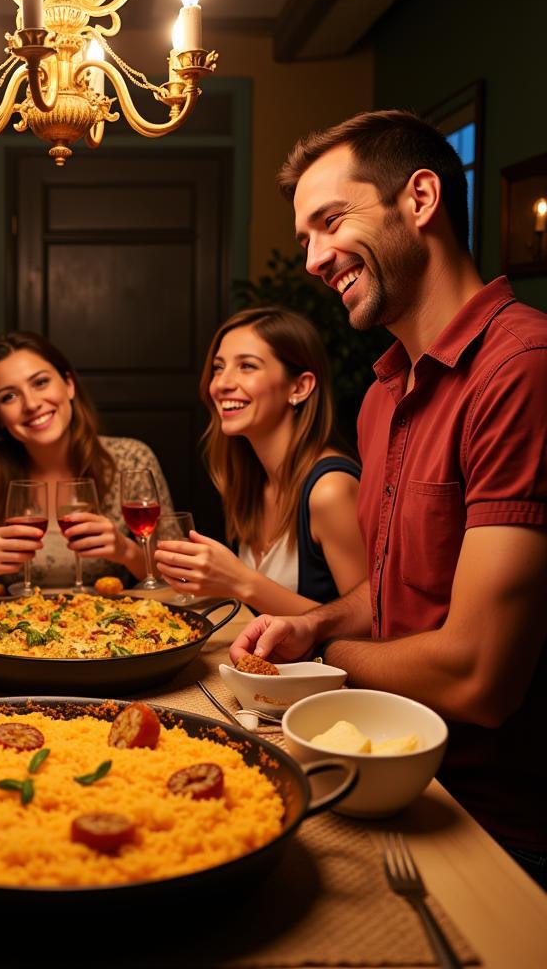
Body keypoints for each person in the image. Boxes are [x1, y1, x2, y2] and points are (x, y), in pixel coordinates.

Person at [230, 110, 547, 875]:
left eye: (329, 221)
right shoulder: (382, 394)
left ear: (422, 199)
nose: (312, 258)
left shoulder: (521, 367)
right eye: (305, 236)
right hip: (385, 772)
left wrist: (322, 657)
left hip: (496, 829)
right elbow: (398, 591)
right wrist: (314, 627)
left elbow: (478, 676)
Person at [0, 331, 173, 594]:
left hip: (111, 629)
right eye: (9, 396)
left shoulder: (131, 460)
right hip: (12, 630)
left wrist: (125, 551)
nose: (31, 404)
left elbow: (178, 577)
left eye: (40, 382)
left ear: (69, 384)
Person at [155, 307, 366, 613]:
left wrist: (241, 583)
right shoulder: (249, 479)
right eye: (218, 367)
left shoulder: (329, 489)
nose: (221, 383)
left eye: (247, 366)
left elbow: (369, 626)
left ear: (299, 387)